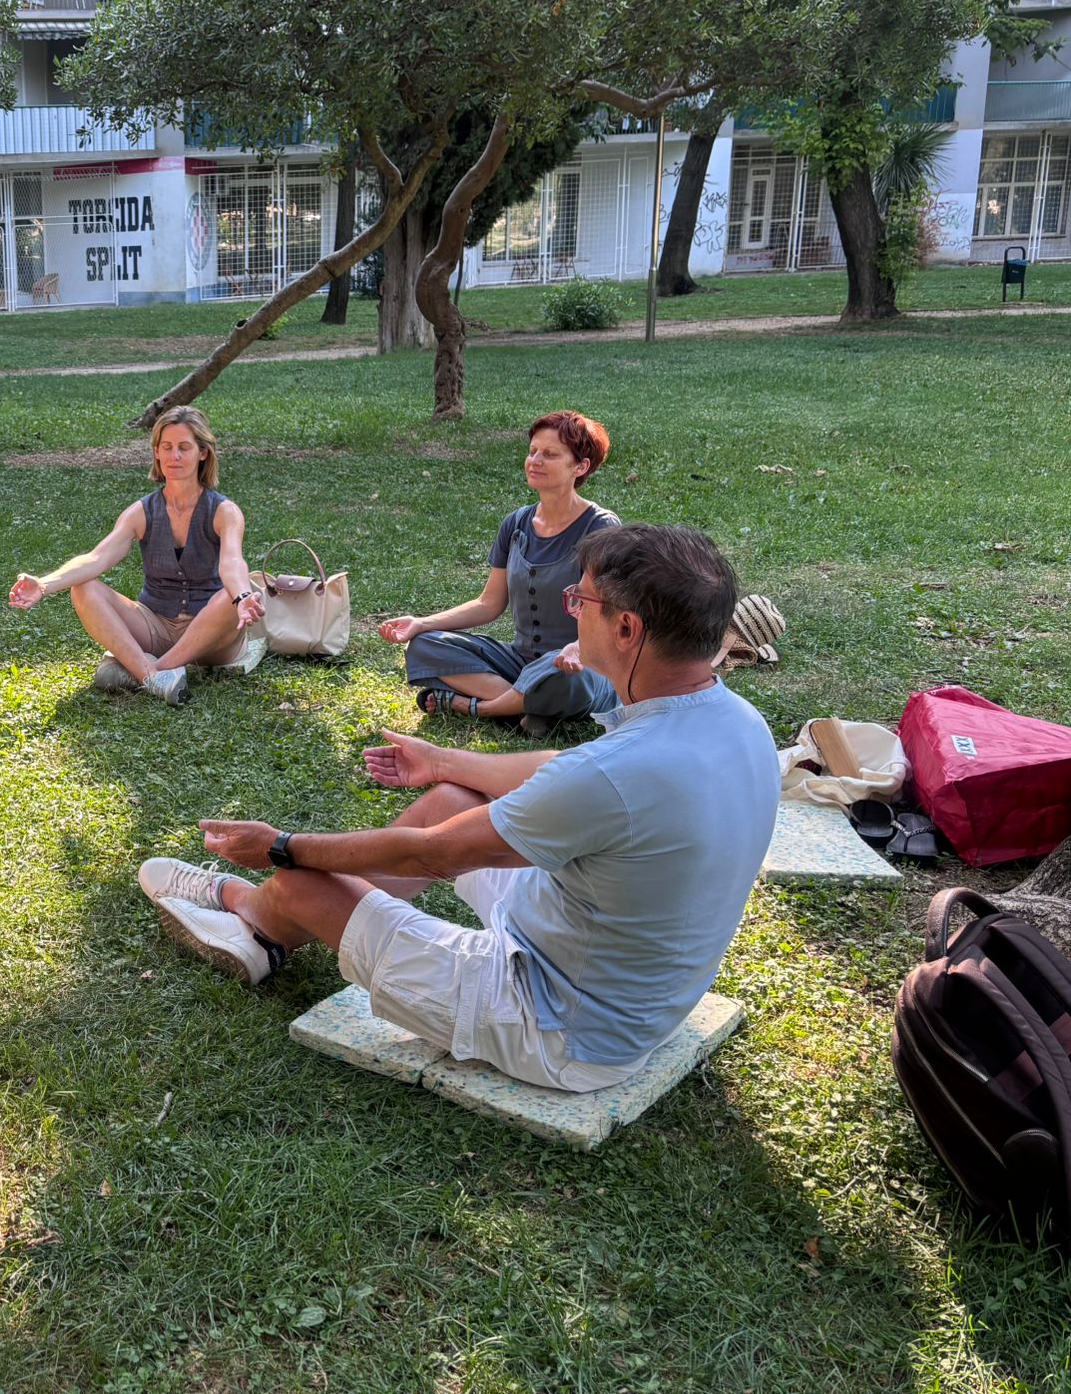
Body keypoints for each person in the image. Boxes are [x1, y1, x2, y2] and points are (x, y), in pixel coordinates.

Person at [139, 525, 778, 1093]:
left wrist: (281, 846)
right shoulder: (736, 720)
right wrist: (445, 763)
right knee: (451, 799)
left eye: (579, 601)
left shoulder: (615, 773)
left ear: (628, 629)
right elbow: (563, 771)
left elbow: (432, 855)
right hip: (620, 978)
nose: (572, 612)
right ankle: (274, 929)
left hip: (559, 1032)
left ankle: (251, 913)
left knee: (305, 880)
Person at [382, 411, 620, 735]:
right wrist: (421, 623)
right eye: (533, 451)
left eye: (550, 454)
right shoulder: (516, 524)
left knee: (562, 676)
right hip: (520, 662)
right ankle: (529, 708)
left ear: (580, 466)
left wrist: (579, 647)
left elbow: (611, 614)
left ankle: (481, 707)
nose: (535, 461)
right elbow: (489, 604)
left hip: (579, 664)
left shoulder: (600, 527)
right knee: (425, 644)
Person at [7, 407, 265, 706]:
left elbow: (232, 562)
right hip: (154, 625)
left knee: (228, 597)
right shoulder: (141, 512)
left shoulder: (224, 511)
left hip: (211, 637)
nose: (174, 456)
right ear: (156, 452)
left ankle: (148, 671)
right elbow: (97, 558)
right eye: (166, 447)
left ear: (203, 453)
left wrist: (242, 596)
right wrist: (43, 584)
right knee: (85, 587)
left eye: (184, 447)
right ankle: (153, 674)